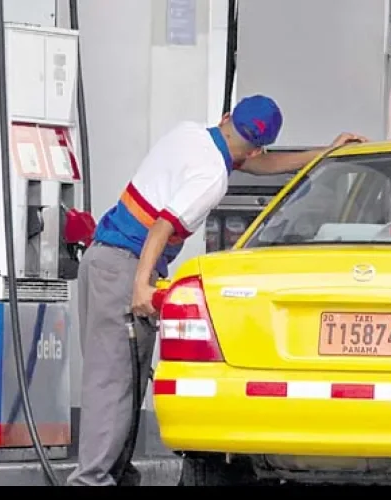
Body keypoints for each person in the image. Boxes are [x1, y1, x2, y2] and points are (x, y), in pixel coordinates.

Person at [67, 94, 367, 486]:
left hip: (100, 260)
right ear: (259, 144)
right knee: (115, 384)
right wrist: (142, 284)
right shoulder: (213, 177)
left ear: (227, 118)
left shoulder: (190, 135)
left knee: (115, 379)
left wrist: (325, 152)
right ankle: (92, 480)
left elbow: (260, 164)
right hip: (127, 266)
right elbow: (161, 227)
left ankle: (116, 476)